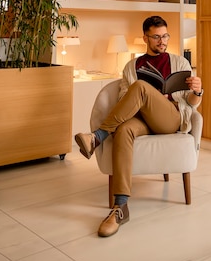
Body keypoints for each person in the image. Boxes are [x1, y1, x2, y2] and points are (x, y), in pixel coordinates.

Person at [75, 15, 203, 238]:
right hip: (143, 119)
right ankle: (120, 207)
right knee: (125, 129)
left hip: (170, 118)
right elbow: (126, 99)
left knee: (142, 87)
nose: (162, 41)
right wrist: (146, 100)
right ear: (145, 37)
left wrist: (197, 92)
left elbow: (190, 105)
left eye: (165, 36)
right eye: (156, 37)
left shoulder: (180, 63)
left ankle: (97, 136)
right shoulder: (132, 66)